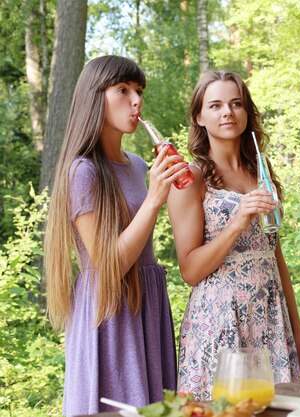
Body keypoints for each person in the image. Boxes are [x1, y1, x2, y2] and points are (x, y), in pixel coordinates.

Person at [44, 55, 188, 416]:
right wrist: (154, 199)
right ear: (96, 97)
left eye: (138, 90)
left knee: (155, 408)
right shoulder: (82, 172)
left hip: (146, 306)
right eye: (122, 90)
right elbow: (109, 265)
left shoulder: (139, 165)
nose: (136, 100)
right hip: (110, 312)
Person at [167, 70, 300, 400]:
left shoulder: (261, 170)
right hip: (221, 318)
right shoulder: (191, 177)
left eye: (236, 103)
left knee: (277, 407)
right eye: (215, 105)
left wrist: (296, 332)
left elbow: (275, 255)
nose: (227, 112)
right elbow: (190, 270)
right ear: (199, 116)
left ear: (247, 112)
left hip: (272, 317)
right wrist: (236, 222)